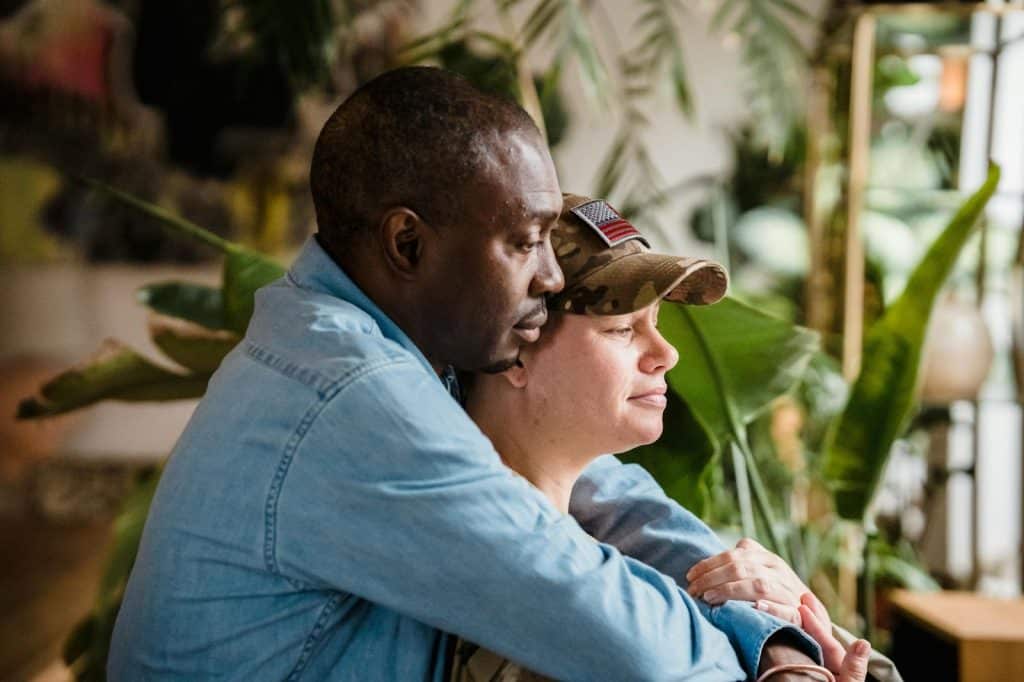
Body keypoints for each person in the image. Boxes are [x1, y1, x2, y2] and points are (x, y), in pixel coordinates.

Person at [110, 66, 827, 680]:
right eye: (524, 241)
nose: (550, 277)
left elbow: (606, 497)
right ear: (408, 244)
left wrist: (769, 628)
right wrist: (774, 658)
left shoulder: (403, 349)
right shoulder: (355, 395)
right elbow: (607, 623)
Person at [450, 194, 898, 682]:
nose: (667, 354)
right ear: (515, 350)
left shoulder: (607, 524)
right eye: (622, 329)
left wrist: (789, 632)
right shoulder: (506, 582)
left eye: (657, 323)